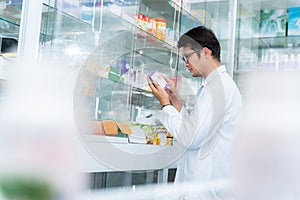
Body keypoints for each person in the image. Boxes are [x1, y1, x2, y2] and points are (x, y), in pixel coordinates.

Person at [147, 26, 242, 193]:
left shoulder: (219, 88)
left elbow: (190, 138)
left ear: (206, 52)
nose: (185, 64)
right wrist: (176, 105)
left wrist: (165, 105)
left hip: (209, 192)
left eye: (187, 57)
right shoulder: (211, 87)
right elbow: (195, 130)